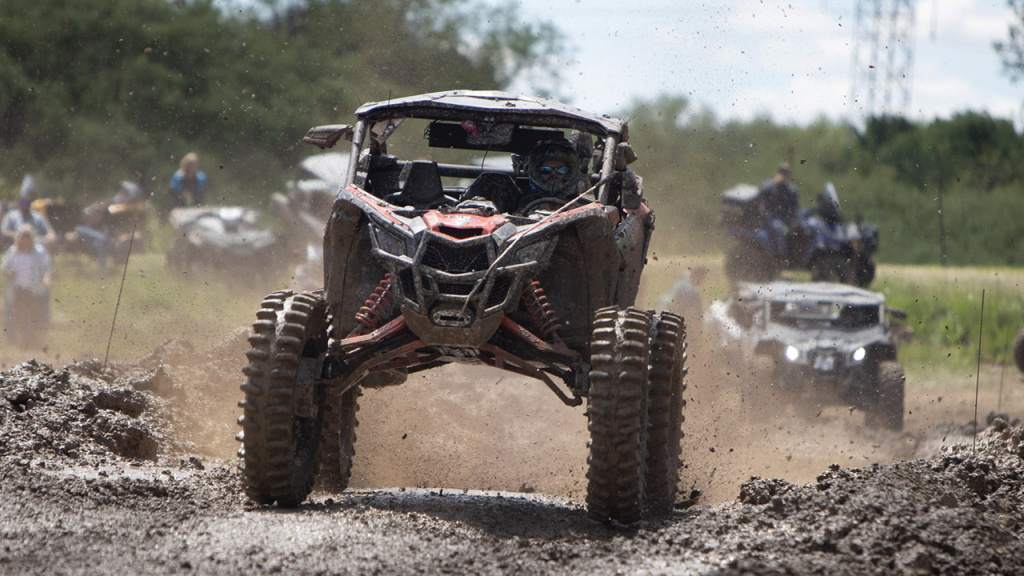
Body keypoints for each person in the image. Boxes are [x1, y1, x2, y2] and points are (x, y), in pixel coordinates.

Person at [2, 224, 52, 349]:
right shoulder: (13, 251)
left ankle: (38, 344)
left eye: (27, 237)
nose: (25, 240)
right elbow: (4, 266)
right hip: (18, 290)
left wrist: (47, 278)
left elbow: (46, 268)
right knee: (19, 317)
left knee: (37, 317)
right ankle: (21, 344)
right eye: (23, 238)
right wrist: (8, 271)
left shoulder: (39, 252)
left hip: (34, 290)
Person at [520, 139, 583, 214]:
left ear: (569, 173)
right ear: (537, 172)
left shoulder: (580, 207)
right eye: (546, 170)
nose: (553, 175)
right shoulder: (524, 203)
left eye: (561, 170)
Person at [1, 174, 58, 252]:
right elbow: (3, 231)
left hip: (37, 243)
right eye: (23, 203)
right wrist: (19, 236)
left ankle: (46, 262)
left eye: (27, 203)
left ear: (30, 204)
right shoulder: (11, 215)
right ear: (19, 204)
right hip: (16, 244)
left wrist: (50, 237)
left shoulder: (38, 216)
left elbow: (50, 231)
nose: (25, 206)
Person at [756, 162, 800, 258]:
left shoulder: (791, 190)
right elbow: (760, 193)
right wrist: (774, 182)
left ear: (789, 175)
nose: (784, 175)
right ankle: (781, 258)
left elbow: (795, 207)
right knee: (779, 228)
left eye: (786, 173)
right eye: (782, 172)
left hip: (785, 218)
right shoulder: (770, 185)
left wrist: (795, 219)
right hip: (771, 217)